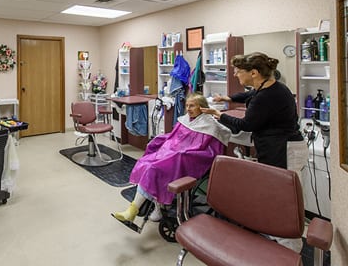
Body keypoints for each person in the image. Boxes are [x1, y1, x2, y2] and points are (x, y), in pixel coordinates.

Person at [113, 93, 231, 223]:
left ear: (202, 107)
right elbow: (173, 137)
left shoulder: (209, 125)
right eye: (187, 105)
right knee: (145, 163)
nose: (188, 109)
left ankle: (135, 210)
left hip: (188, 161)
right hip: (171, 154)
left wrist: (183, 153)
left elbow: (212, 151)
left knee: (154, 169)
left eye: (192, 106)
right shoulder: (185, 119)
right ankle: (155, 207)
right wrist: (160, 140)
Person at [200, 52, 304, 169]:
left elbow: (246, 124)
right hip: (281, 145)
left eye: (238, 71)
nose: (235, 74)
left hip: (283, 150)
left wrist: (218, 114)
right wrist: (227, 98)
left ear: (254, 73)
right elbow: (249, 94)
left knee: (282, 186)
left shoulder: (264, 97)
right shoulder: (273, 87)